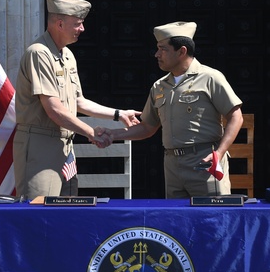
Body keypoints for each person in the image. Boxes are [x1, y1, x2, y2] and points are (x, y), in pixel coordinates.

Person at [13, 0, 139, 198]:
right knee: (39, 213)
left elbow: (78, 101)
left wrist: (118, 114)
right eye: (78, 23)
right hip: (40, 146)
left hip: (65, 146)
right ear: (59, 24)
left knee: (66, 211)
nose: (82, 29)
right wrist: (91, 132)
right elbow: (54, 109)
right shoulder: (39, 53)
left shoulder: (68, 55)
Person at [100, 21, 243, 198]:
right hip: (172, 165)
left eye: (163, 49)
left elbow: (236, 117)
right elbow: (147, 127)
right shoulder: (159, 86)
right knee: (176, 222)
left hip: (204, 163)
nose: (156, 54)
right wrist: (113, 134)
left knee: (211, 221)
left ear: (182, 51)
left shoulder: (210, 78)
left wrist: (219, 153)